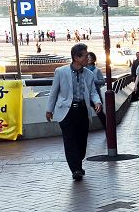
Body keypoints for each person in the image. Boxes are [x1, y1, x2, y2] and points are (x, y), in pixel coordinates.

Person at [46, 43, 102, 181]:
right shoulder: (61, 71)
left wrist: (97, 102)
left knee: (82, 141)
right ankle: (75, 169)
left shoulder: (89, 74)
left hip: (83, 110)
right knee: (70, 140)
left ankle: (78, 162)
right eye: (85, 55)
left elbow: (93, 91)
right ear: (76, 57)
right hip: (66, 111)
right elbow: (53, 92)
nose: (87, 58)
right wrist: (49, 110)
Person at [86, 52, 106, 129]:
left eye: (89, 57)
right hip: (85, 95)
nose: (88, 59)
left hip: (95, 93)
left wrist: (93, 81)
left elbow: (102, 81)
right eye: (86, 57)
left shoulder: (96, 70)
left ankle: (107, 128)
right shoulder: (82, 70)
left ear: (93, 59)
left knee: (100, 113)